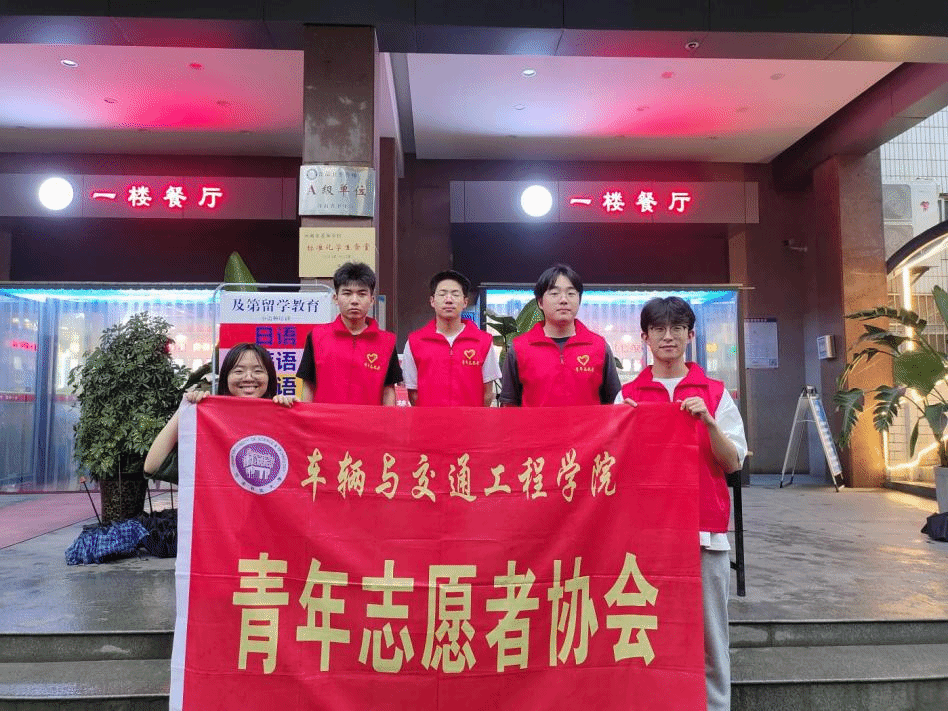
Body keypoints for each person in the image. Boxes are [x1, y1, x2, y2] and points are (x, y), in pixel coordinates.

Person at [617, 296, 746, 711]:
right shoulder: (628, 396)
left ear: (691, 336)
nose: (667, 336)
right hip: (648, 534)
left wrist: (708, 422)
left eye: (677, 328)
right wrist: (626, 428)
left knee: (711, 635)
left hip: (704, 530)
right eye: (658, 329)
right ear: (645, 337)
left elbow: (733, 462)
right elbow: (614, 468)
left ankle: (716, 706)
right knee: (649, 626)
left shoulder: (715, 393)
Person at [144, 343, 293, 477]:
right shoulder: (211, 425)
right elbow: (152, 466)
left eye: (258, 371)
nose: (248, 377)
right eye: (239, 371)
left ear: (270, 378)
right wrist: (185, 409)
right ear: (226, 378)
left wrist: (293, 413)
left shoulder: (282, 420)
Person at [499, 263, 621, 406]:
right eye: (554, 294)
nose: (564, 300)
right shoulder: (519, 348)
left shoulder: (599, 346)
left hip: (588, 423)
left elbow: (614, 402)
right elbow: (509, 405)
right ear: (540, 302)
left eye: (571, 294)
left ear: (579, 300)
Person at [296, 261, 402, 406]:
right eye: (347, 293)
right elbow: (308, 386)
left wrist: (389, 419)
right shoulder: (316, 337)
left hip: (369, 420)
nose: (354, 301)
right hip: (325, 420)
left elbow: (388, 391)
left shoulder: (387, 342)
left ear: (371, 300)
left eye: (362, 294)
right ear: (335, 298)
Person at [402, 269, 500, 407]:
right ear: (432, 301)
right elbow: (413, 393)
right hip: (429, 420)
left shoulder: (483, 342)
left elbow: (488, 393)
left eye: (455, 294)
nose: (448, 300)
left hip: (471, 420)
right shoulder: (415, 342)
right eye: (442, 294)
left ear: (465, 302)